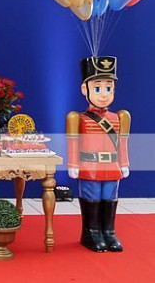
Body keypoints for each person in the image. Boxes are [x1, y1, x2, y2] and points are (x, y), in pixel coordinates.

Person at [67, 56, 130, 252]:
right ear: (84, 89)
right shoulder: (79, 118)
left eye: (108, 88)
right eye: (97, 88)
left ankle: (109, 232)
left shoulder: (118, 117)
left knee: (109, 197)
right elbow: (73, 143)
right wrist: (73, 165)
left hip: (112, 166)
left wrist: (124, 163)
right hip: (90, 166)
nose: (104, 94)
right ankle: (91, 233)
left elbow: (122, 143)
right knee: (92, 197)